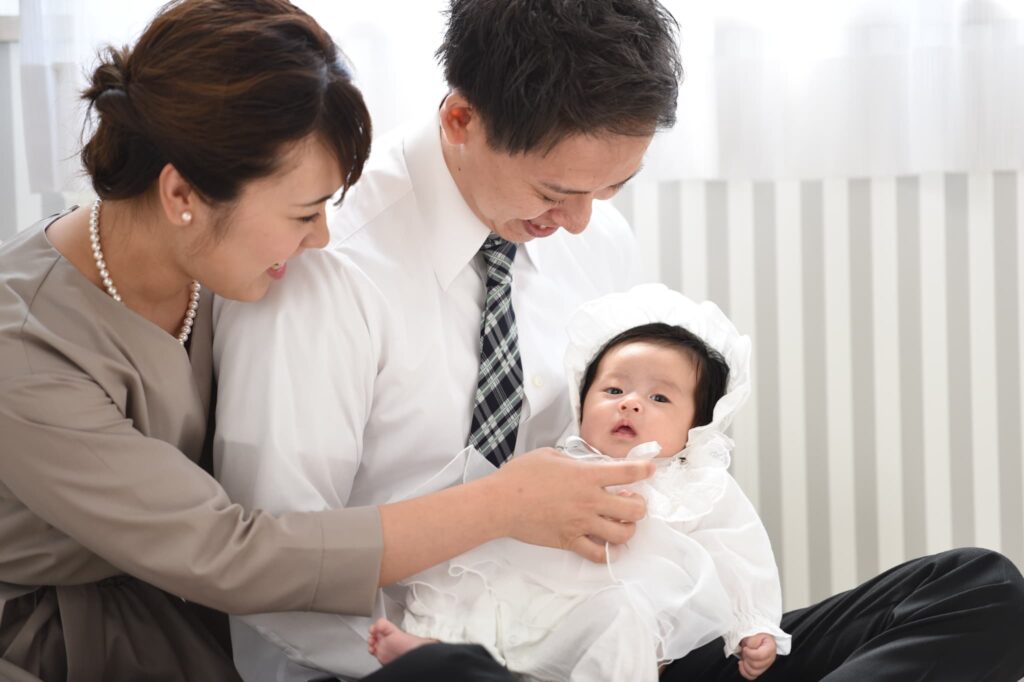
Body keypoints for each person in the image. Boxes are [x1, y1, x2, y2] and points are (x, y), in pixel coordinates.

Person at [213, 1, 1024, 681]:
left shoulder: (594, 240)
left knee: (978, 589)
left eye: (613, 187)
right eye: (557, 190)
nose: (579, 220)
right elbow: (278, 578)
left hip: (608, 645)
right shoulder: (322, 256)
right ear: (460, 117)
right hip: (408, 657)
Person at [0, 1, 654, 680]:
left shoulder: (211, 263)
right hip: (73, 643)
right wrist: (504, 503)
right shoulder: (24, 349)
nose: (321, 240)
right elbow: (232, 553)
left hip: (202, 608)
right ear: (182, 195)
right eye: (304, 214)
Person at [367, 286, 792, 682]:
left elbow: (739, 551)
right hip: (526, 599)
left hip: (603, 618)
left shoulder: (694, 483)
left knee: (624, 624)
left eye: (659, 398)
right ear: (582, 401)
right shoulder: (559, 465)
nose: (630, 402)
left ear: (697, 428)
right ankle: (434, 647)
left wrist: (752, 622)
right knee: (472, 584)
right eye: (613, 388)